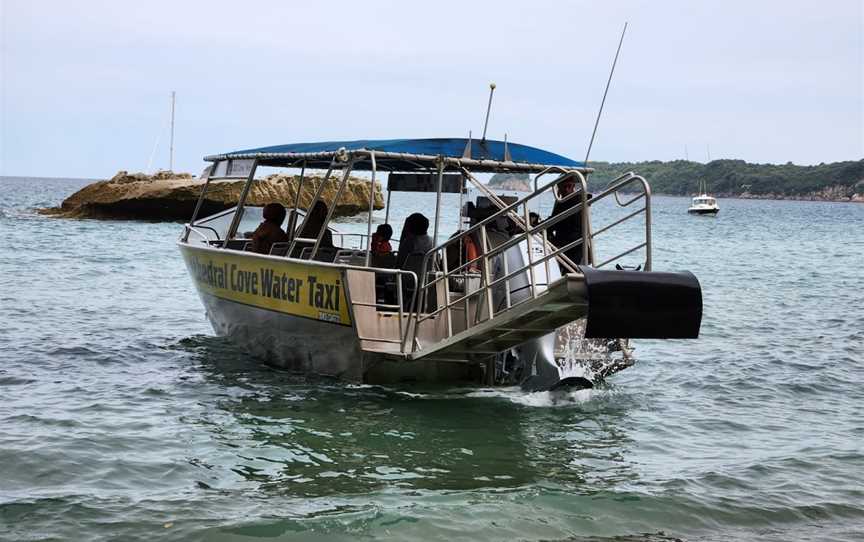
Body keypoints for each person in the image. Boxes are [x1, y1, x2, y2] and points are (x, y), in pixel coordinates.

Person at [548, 176, 591, 267]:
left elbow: (578, 231)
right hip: (566, 246)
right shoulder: (562, 203)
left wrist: (558, 244)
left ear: (573, 187)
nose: (567, 190)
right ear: (559, 188)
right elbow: (552, 222)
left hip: (574, 249)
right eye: (564, 187)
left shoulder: (576, 202)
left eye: (569, 186)